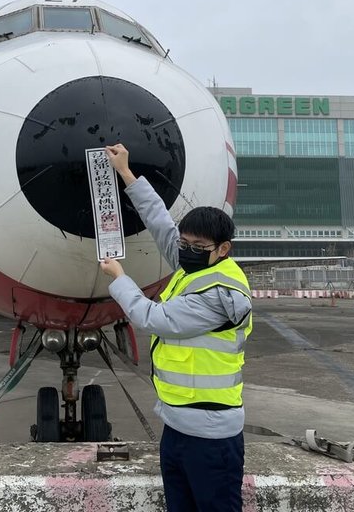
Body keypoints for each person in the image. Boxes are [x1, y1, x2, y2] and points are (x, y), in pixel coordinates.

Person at [100, 143, 252, 512]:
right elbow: (160, 224)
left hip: (211, 436)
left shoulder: (219, 293)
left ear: (223, 249)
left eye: (197, 245)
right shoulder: (195, 266)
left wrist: (120, 278)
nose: (185, 248)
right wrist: (126, 172)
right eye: (185, 242)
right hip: (178, 426)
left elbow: (153, 319)